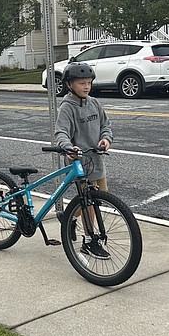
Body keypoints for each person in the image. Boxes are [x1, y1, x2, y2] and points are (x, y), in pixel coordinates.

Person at [54, 62, 113, 260]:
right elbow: (60, 132)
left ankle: (69, 218)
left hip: (96, 159)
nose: (86, 87)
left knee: (100, 196)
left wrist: (106, 139)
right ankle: (89, 241)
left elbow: (106, 125)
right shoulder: (67, 107)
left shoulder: (94, 103)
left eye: (88, 83)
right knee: (89, 201)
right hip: (78, 161)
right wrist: (68, 147)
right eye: (81, 83)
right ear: (70, 84)